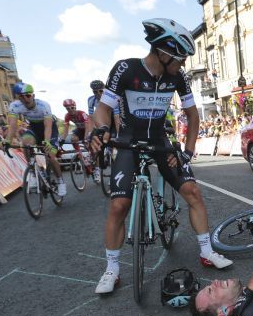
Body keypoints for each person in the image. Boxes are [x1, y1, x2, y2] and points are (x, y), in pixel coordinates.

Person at [90, 18, 232, 294]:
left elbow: (192, 115)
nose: (183, 65)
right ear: (164, 53)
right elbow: (103, 108)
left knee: (192, 191)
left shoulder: (176, 77)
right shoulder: (126, 69)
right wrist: (103, 129)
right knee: (119, 206)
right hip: (129, 140)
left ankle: (206, 251)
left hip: (160, 140)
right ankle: (112, 268)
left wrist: (187, 153)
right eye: (180, 59)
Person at [5, 83, 67, 196]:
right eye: (21, 96)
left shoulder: (43, 105)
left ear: (33, 95)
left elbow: (48, 125)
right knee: (26, 143)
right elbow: (12, 124)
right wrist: (8, 140)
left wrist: (47, 141)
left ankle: (60, 181)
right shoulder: (15, 106)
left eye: (27, 95)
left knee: (50, 154)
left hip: (49, 128)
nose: (25, 99)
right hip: (33, 127)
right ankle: (33, 172)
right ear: (18, 97)